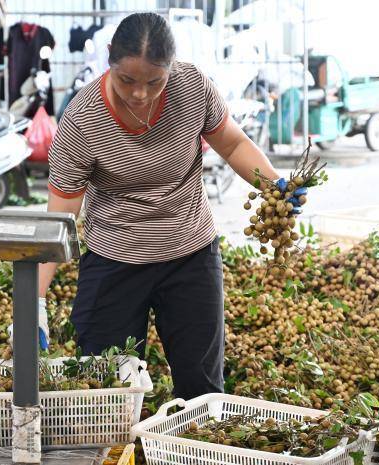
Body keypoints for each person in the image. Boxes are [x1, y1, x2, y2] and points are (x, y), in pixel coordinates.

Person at [40, 13, 293, 400]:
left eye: (154, 81)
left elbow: (233, 144)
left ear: (171, 66)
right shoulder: (82, 120)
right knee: (106, 388)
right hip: (115, 261)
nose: (140, 94)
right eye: (127, 80)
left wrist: (275, 185)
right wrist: (35, 300)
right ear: (109, 57)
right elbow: (60, 218)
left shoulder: (192, 88)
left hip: (190, 256)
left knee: (201, 389)